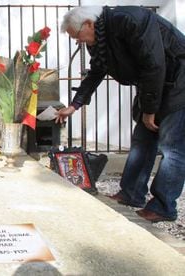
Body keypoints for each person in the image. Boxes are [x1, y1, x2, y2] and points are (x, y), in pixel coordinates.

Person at [57, 6, 185, 222]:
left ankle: (163, 206)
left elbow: (153, 64)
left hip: (179, 79)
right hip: (154, 83)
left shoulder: (129, 21)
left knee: (172, 148)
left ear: (88, 23)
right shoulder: (98, 40)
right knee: (142, 140)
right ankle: (131, 193)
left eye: (76, 36)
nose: (77, 41)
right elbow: (96, 72)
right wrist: (74, 105)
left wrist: (149, 110)